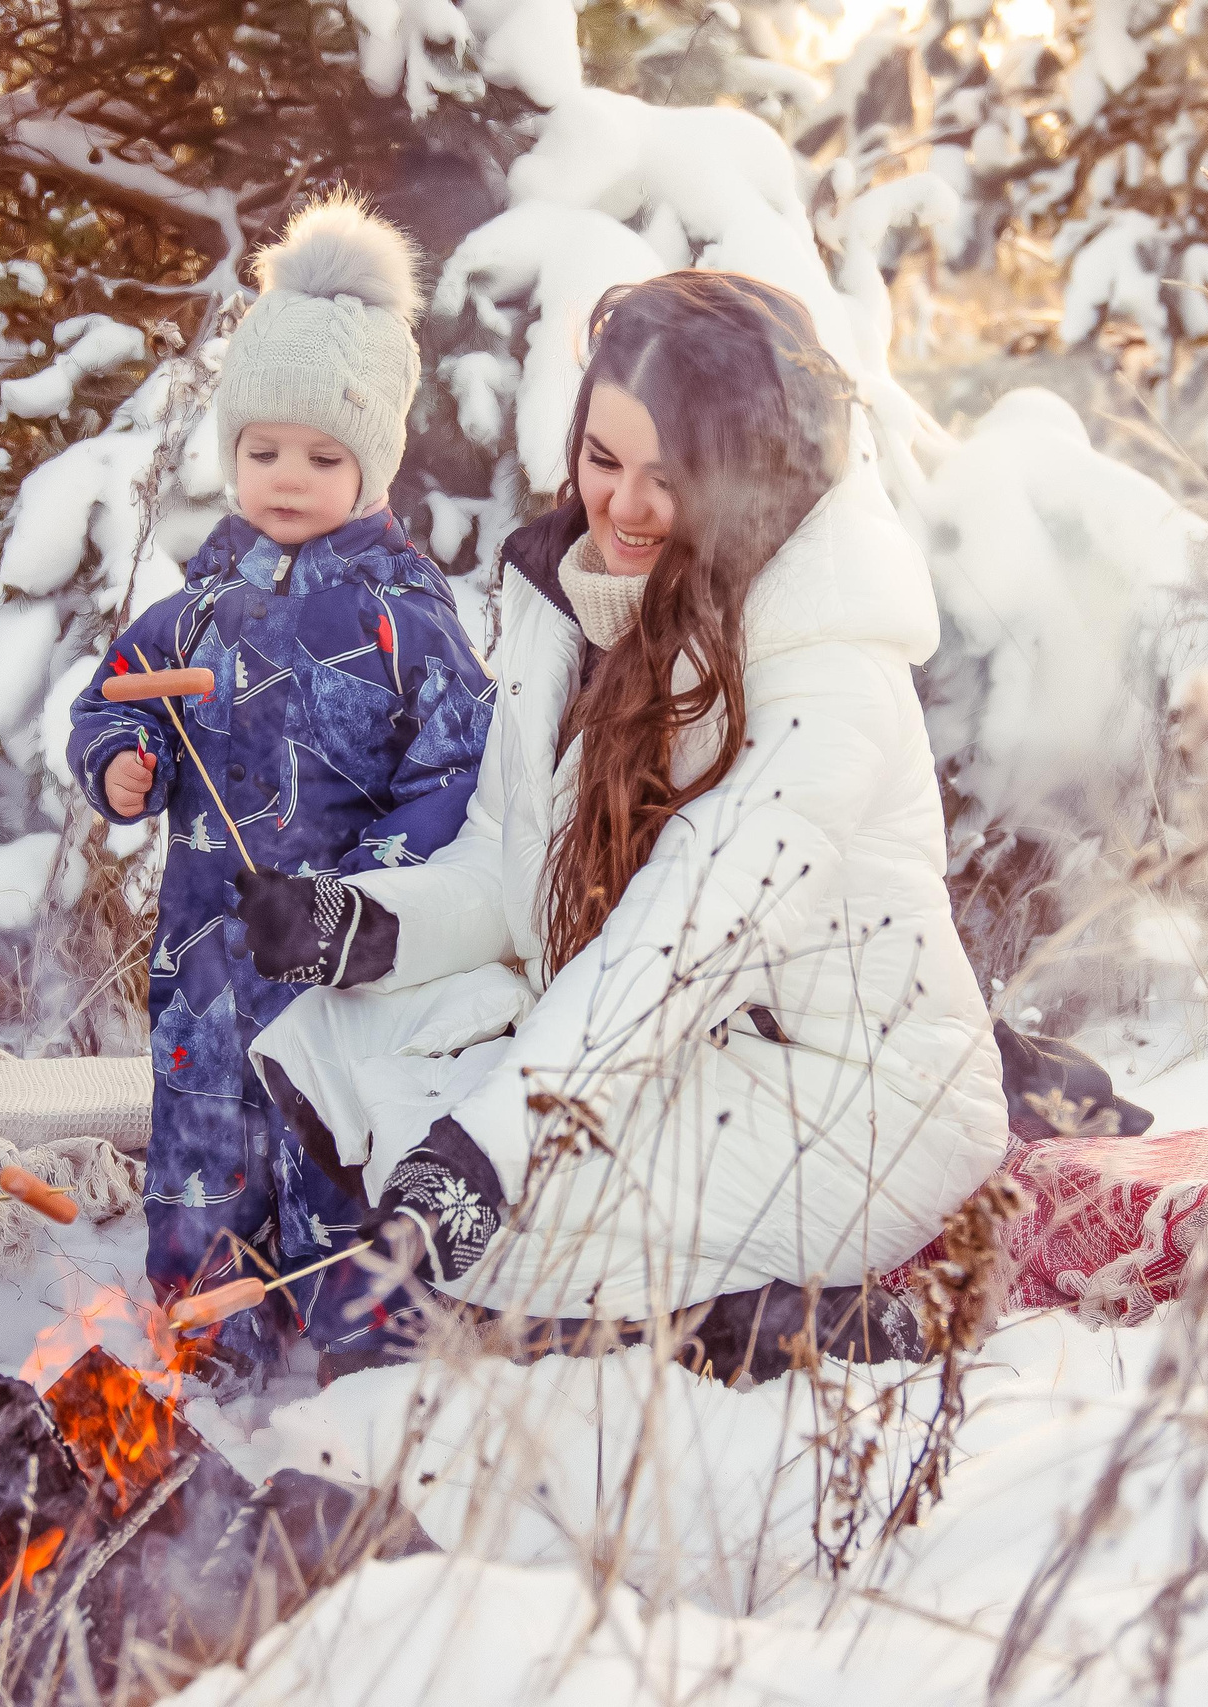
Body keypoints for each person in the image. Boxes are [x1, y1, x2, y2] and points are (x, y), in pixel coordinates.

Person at [243, 272, 1009, 1375]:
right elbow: (509, 873)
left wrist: (494, 1148)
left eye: (673, 475)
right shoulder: (575, 606)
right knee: (333, 1041)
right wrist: (365, 924)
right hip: (674, 1053)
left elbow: (683, 940)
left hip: (861, 1105)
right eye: (603, 462)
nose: (626, 507)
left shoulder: (828, 672)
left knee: (492, 1224)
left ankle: (780, 1324)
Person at [67, 195, 494, 1387]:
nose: (286, 478)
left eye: (320, 456)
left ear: (372, 463)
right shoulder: (198, 605)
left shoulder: (404, 615)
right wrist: (120, 764)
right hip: (208, 950)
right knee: (205, 1139)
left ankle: (355, 1337)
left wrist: (368, 899)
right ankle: (206, 1334)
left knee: (330, 1137)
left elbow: (455, 770)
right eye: (262, 452)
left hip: (333, 953)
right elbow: (113, 696)